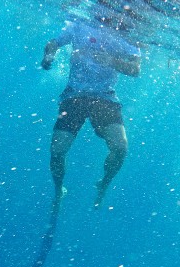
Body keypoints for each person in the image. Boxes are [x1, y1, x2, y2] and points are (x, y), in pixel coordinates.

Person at [40, 15, 141, 211]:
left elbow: (136, 69)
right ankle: (58, 188)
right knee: (57, 150)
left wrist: (111, 60)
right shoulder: (80, 24)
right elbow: (53, 42)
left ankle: (104, 183)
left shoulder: (129, 35)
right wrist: (48, 56)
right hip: (74, 96)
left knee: (120, 148)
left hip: (104, 97)